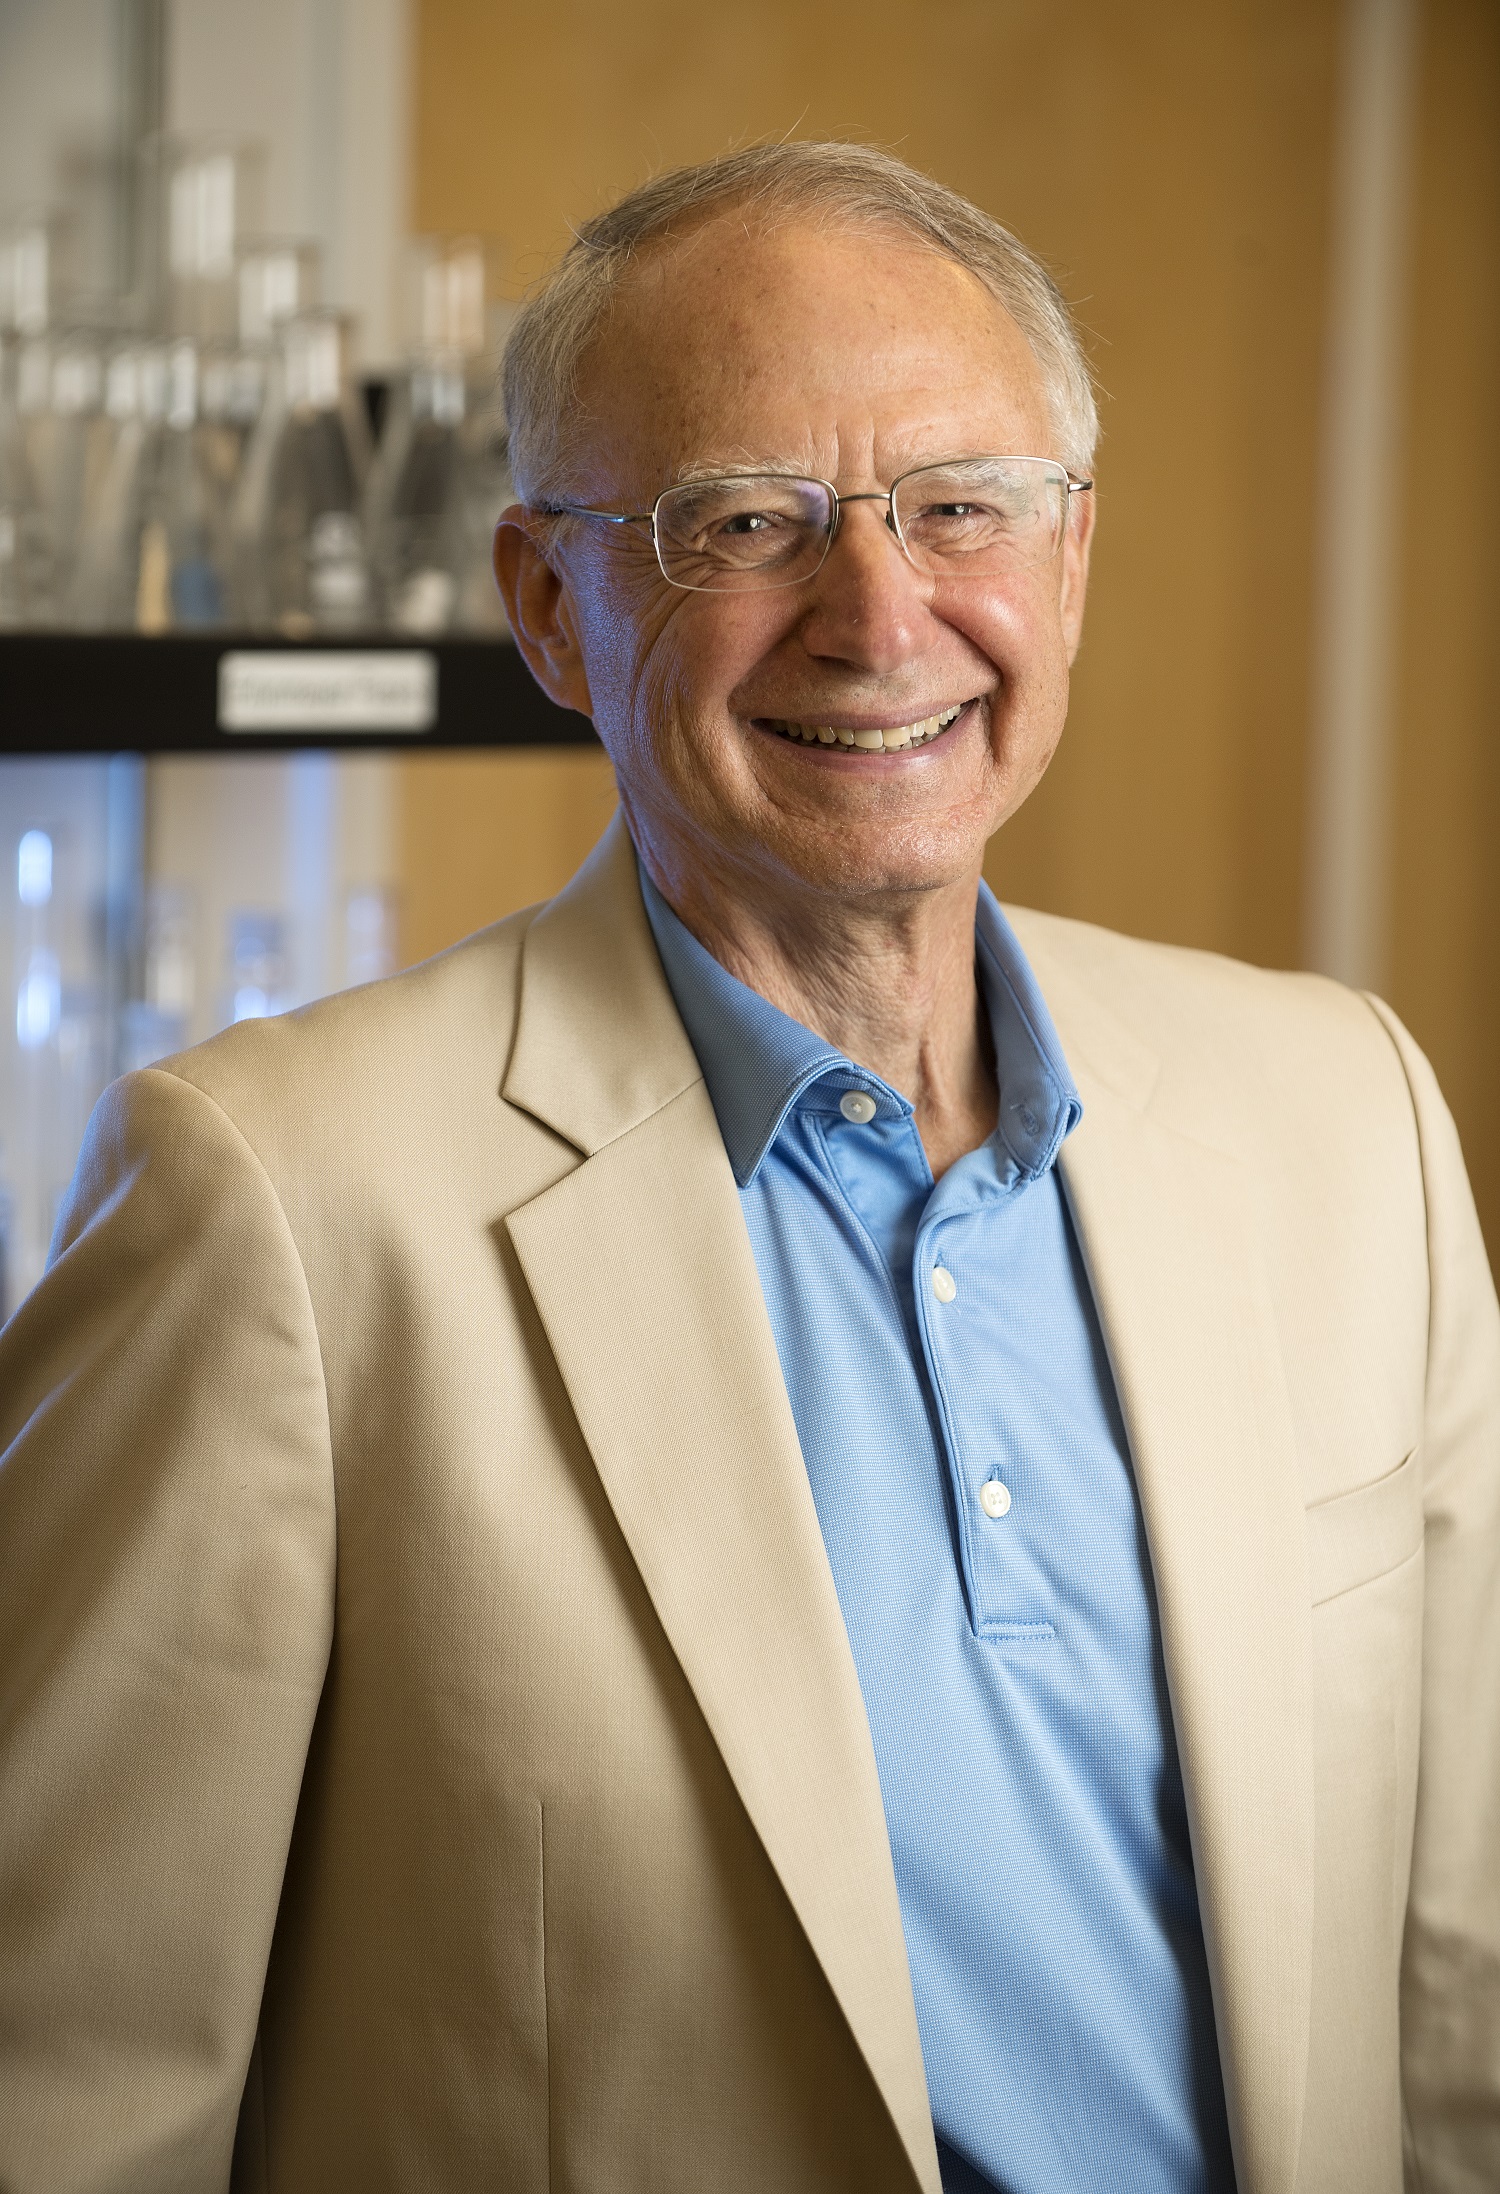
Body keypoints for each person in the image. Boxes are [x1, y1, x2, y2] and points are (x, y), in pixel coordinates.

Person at [1, 142, 1496, 2194]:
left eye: (961, 506)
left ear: (1067, 562)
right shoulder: (275, 1202)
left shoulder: (1350, 1119)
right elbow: (65, 2102)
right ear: (548, 602)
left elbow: (1461, 2011)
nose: (880, 614)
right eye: (743, 524)